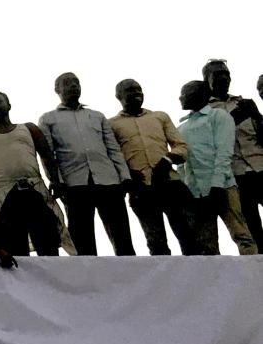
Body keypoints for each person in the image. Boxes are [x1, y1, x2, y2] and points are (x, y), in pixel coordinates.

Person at [37, 72, 134, 256]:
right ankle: (89, 281)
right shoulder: (48, 118)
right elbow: (48, 154)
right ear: (57, 90)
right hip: (74, 183)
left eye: (76, 83)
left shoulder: (96, 116)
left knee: (122, 237)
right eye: (68, 83)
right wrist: (56, 181)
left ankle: (130, 277)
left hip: (108, 180)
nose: (73, 86)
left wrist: (124, 177)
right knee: (83, 241)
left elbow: (113, 148)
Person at [0, 92, 63, 256]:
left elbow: (47, 156)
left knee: (47, 241)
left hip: (34, 188)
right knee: (14, 243)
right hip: (5, 194)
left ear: (9, 105)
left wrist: (55, 181)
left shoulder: (28, 128)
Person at [108, 79, 196, 255]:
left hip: (170, 183)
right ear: (118, 96)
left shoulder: (159, 117)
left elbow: (181, 147)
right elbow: (111, 155)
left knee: (188, 235)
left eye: (139, 89)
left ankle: (198, 278)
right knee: (155, 241)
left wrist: (167, 160)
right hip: (141, 188)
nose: (136, 93)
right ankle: (165, 281)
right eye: (130, 90)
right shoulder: (112, 124)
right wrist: (127, 173)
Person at [177, 80, 251, 255]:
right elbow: (183, 163)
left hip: (222, 186)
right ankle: (216, 281)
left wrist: (217, 184)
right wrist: (186, 189)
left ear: (201, 94)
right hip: (196, 192)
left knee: (241, 234)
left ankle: (255, 275)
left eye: (185, 92)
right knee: (206, 243)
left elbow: (224, 152)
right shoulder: (182, 127)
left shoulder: (218, 116)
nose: (180, 97)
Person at [203, 59, 263, 248]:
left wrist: (258, 116)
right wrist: (235, 117)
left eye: (226, 74)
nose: (223, 78)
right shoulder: (205, 110)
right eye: (217, 74)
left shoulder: (245, 102)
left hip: (261, 166)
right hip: (236, 175)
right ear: (207, 80)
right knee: (252, 226)